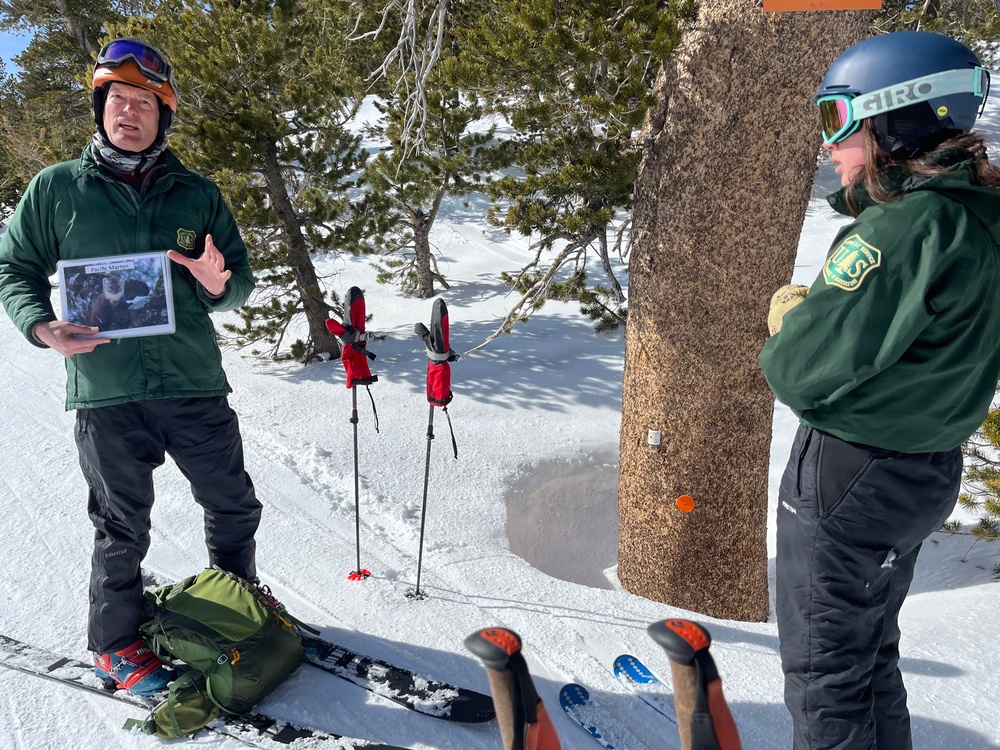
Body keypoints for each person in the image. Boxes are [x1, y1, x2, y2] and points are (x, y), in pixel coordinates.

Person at [759, 31, 1000, 750]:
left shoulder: (904, 227)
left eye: (838, 118)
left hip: (850, 475)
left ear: (897, 119)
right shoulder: (980, 214)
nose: (828, 143)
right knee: (868, 658)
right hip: (925, 470)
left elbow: (797, 368)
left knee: (824, 675)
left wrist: (796, 318)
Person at [0, 39, 262, 695]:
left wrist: (217, 283)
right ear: (101, 108)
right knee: (121, 524)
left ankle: (238, 605)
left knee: (233, 505)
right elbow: (15, 268)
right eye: (117, 99)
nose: (128, 111)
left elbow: (238, 281)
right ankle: (114, 644)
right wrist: (41, 326)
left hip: (193, 382)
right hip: (107, 392)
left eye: (144, 102)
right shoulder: (57, 188)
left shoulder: (196, 193)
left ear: (162, 115)